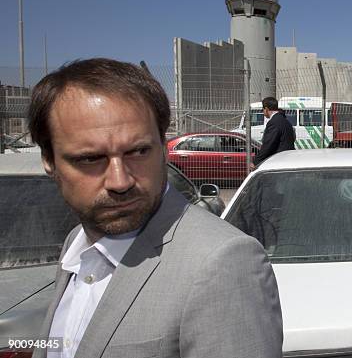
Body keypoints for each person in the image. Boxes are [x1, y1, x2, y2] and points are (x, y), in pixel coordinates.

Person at [29, 58, 283, 358]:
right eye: (89, 159)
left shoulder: (222, 263)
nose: (120, 181)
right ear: (49, 160)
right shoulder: (77, 243)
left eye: (138, 151)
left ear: (163, 148)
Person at [252, 97, 296, 167]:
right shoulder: (285, 121)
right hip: (287, 158)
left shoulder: (274, 122)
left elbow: (269, 144)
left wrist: (256, 161)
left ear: (266, 109)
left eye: (262, 109)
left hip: (279, 160)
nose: (263, 112)